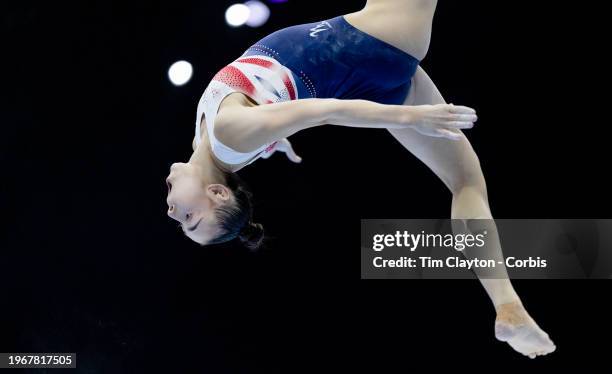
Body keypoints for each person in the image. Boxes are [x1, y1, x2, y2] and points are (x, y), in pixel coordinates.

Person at [165, 0, 556, 358]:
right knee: (465, 180)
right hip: (369, 41)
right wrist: (410, 117)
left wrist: (274, 143)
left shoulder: (213, 145)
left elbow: (267, 118)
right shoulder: (230, 134)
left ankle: (509, 307)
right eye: (189, 219)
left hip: (372, 67)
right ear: (216, 192)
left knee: (466, 182)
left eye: (183, 222)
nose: (172, 214)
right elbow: (322, 112)